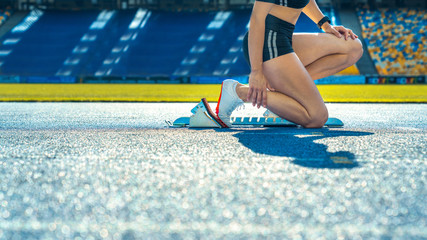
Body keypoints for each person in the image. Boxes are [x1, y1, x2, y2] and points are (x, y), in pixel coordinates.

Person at [215, 0, 363, 128]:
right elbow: (257, 19)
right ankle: (238, 91)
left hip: (284, 37)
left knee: (353, 47)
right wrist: (256, 71)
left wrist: (325, 25)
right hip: (267, 42)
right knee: (316, 118)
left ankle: (283, 92)